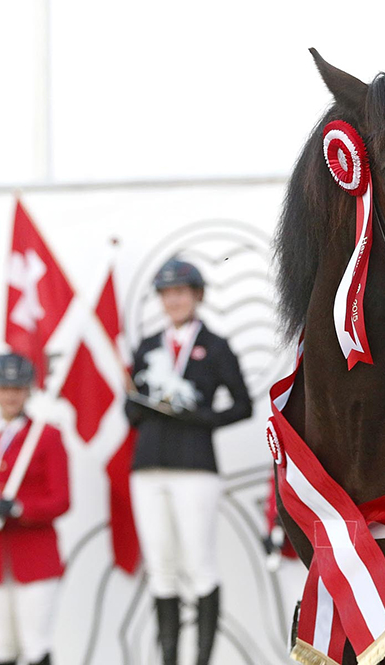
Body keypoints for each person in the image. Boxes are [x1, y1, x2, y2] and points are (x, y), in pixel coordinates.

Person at [125, 257, 253, 665]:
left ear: (197, 295)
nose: (174, 300)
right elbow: (129, 410)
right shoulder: (147, 347)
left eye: (181, 292)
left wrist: (203, 419)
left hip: (195, 466)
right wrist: (140, 407)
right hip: (148, 467)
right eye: (167, 293)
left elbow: (243, 404)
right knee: (160, 567)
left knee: (199, 565)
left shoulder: (214, 346)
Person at [0, 353, 70, 665]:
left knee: (35, 643)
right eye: (4, 387)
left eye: (18, 388)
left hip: (36, 557)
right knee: (2, 645)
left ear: (28, 391)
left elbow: (61, 499)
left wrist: (22, 508)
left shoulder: (46, 436)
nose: (11, 395)